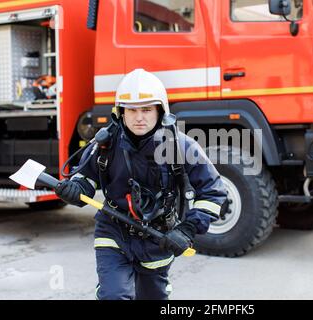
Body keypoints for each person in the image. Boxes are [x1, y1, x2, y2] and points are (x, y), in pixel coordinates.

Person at [54, 69, 227, 300]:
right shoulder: (105, 145)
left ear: (160, 111)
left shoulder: (182, 147)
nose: (139, 117)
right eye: (132, 110)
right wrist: (75, 189)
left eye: (146, 109)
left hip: (158, 236)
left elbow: (213, 192)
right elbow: (86, 177)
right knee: (113, 295)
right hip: (113, 230)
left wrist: (187, 229)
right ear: (120, 113)